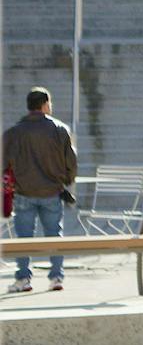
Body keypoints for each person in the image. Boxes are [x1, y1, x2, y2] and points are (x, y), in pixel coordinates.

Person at [5, 88, 76, 293]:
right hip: (52, 192)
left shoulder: (14, 132)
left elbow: (3, 163)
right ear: (45, 105)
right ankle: (56, 277)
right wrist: (66, 181)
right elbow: (71, 162)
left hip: (24, 193)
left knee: (24, 238)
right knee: (54, 234)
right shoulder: (60, 129)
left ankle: (23, 278)